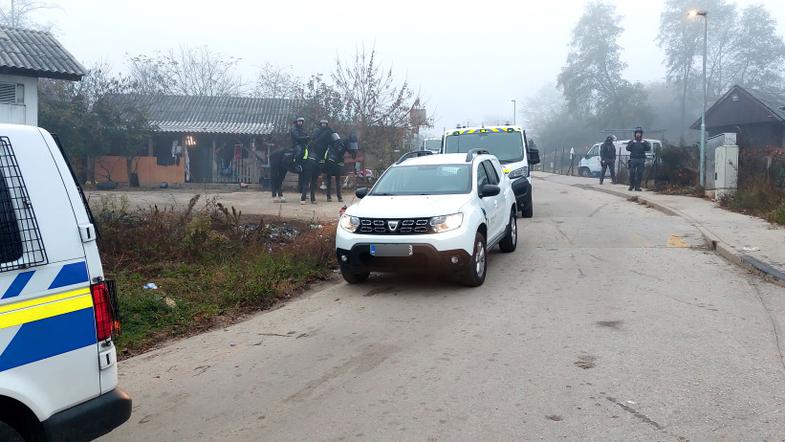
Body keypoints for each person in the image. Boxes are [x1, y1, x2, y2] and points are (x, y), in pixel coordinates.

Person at [322, 132, 357, 202]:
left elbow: (349, 150)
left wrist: (353, 152)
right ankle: (329, 196)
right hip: (330, 161)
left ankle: (339, 196)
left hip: (339, 161)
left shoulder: (344, 144)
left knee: (338, 179)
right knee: (329, 178)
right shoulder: (331, 146)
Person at [626, 127, 651, 191]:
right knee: (632, 172)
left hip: (641, 159)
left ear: (641, 134)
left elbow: (648, 148)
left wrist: (644, 143)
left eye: (639, 133)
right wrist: (632, 143)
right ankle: (632, 185)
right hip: (633, 159)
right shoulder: (632, 141)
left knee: (640, 173)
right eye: (637, 133)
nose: (638, 134)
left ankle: (637, 187)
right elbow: (627, 148)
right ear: (635, 134)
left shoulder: (644, 142)